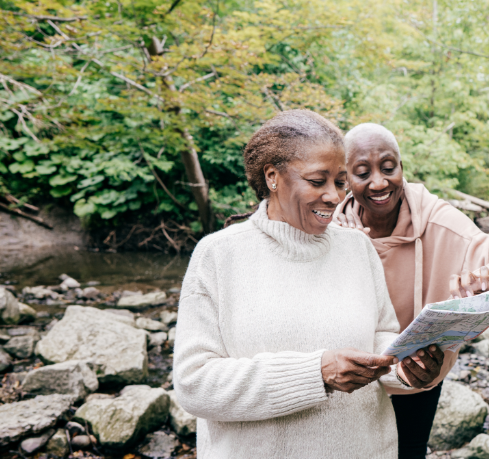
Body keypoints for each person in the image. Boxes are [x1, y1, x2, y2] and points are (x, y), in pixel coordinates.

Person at [173, 110, 441, 459]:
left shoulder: (358, 248)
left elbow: (381, 338)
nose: (334, 196)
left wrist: (407, 368)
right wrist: (317, 373)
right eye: (318, 181)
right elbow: (194, 385)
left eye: (341, 182)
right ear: (272, 177)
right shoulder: (218, 256)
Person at [334, 123, 489, 459]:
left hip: (419, 373)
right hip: (353, 377)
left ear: (402, 168)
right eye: (363, 173)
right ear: (346, 179)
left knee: (409, 451)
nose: (379, 182)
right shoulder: (332, 226)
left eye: (389, 168)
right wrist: (352, 248)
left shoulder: (436, 217)